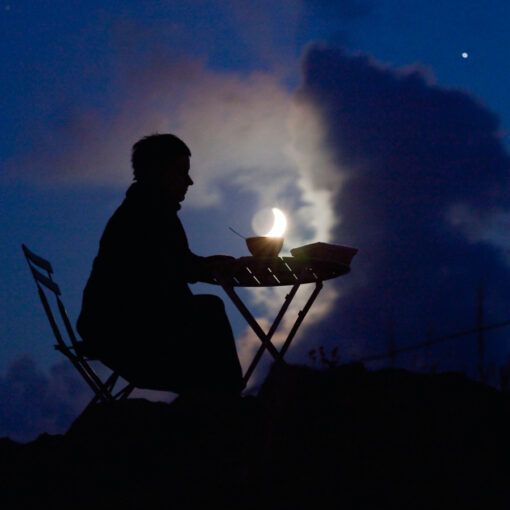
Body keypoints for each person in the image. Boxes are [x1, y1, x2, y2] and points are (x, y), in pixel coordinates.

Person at [77, 133, 244, 395]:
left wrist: (209, 264)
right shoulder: (148, 214)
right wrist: (212, 267)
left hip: (113, 326)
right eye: (181, 172)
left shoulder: (144, 209)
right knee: (210, 310)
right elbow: (178, 269)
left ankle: (222, 398)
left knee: (206, 314)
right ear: (158, 172)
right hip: (125, 333)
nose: (189, 181)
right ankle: (230, 400)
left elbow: (175, 264)